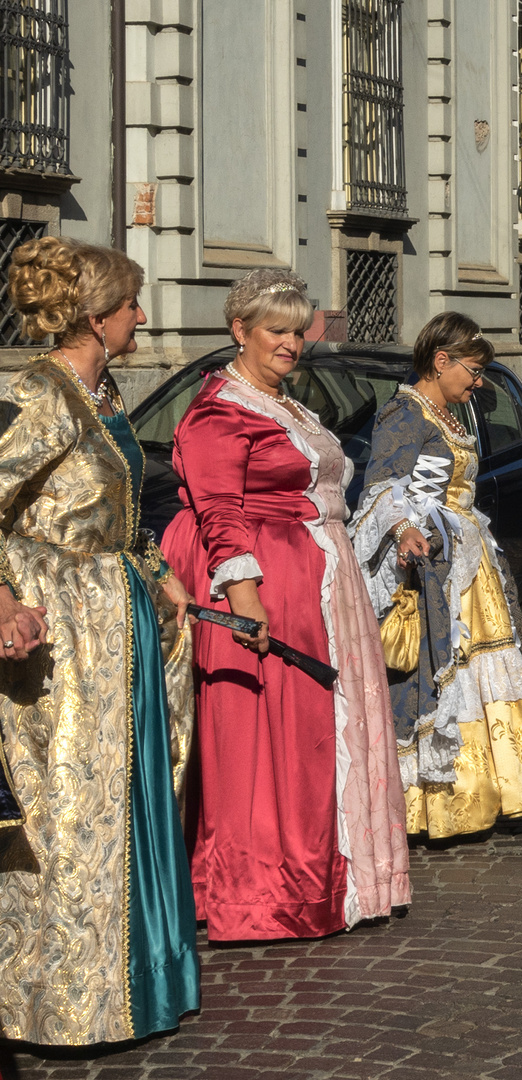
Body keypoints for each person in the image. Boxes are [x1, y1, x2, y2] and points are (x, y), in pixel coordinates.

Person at [162, 269, 411, 941]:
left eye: (300, 331)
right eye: (277, 331)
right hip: (269, 584)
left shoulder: (287, 404)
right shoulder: (219, 410)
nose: (292, 344)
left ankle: (342, 875)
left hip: (321, 582)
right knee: (268, 741)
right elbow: (218, 511)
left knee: (316, 735)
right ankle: (265, 892)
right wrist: (244, 597)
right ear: (238, 331)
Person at [0, 238, 200, 1045]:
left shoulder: (103, 391)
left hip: (118, 630)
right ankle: (62, 1000)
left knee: (127, 805)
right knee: (73, 813)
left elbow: (118, 511)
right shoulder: (40, 396)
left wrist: (158, 570)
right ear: (95, 316)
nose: (142, 319)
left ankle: (134, 983)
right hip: (62, 639)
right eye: (131, 307)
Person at [351, 313, 522, 839]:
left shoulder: (445, 414)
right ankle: (439, 802)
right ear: (440, 361)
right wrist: (402, 531)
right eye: (474, 369)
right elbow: (382, 487)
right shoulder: (406, 415)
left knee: (484, 669)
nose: (480, 381)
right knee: (443, 673)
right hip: (435, 566)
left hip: (466, 563)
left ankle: (501, 788)